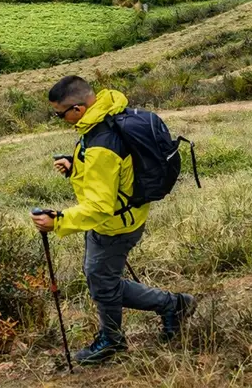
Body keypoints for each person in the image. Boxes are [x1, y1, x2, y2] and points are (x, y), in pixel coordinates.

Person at [31, 75, 195, 366]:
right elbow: (117, 170)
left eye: (59, 114)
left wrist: (57, 221)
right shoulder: (109, 113)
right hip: (128, 214)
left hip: (114, 225)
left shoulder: (100, 145)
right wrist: (75, 166)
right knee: (101, 278)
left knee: (103, 283)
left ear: (78, 109)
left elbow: (100, 206)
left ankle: (166, 310)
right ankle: (120, 334)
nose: (59, 119)